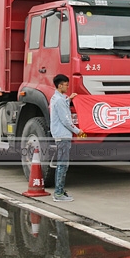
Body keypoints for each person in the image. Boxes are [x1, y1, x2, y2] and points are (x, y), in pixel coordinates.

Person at [50, 74, 83, 202]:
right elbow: (65, 120)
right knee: (63, 165)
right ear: (60, 85)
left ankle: (60, 191)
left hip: (61, 134)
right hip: (63, 135)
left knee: (62, 164)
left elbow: (62, 106)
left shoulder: (58, 98)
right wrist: (78, 131)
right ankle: (58, 193)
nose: (67, 87)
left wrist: (69, 99)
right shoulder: (59, 100)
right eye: (66, 84)